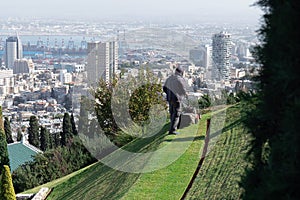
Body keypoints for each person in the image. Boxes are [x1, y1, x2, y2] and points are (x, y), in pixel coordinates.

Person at [163, 66, 187, 135]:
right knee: (176, 114)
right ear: (181, 72)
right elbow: (183, 90)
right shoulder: (180, 79)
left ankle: (172, 127)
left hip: (170, 98)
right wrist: (182, 95)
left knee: (172, 112)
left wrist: (169, 94)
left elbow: (164, 88)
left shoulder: (169, 78)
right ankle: (173, 130)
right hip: (177, 99)